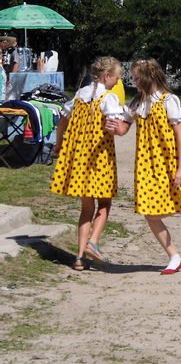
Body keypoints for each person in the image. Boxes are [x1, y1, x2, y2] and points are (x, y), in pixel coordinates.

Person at [105, 58, 181, 274]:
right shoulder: (137, 103)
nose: (133, 82)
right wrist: (116, 128)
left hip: (169, 159)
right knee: (150, 212)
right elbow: (125, 127)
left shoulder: (168, 100)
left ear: (148, 77)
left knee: (175, 196)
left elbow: (180, 136)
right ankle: (174, 256)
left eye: (136, 78)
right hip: (147, 163)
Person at [50, 56, 126, 271]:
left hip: (80, 160)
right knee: (104, 204)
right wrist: (122, 124)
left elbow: (62, 123)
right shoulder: (108, 98)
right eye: (117, 78)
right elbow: (114, 125)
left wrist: (59, 144)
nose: (118, 82)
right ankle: (93, 242)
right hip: (100, 158)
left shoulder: (78, 97)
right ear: (107, 76)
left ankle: (79, 258)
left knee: (86, 209)